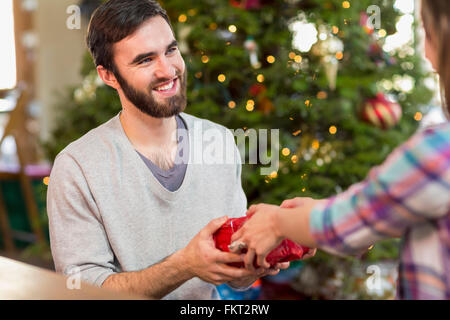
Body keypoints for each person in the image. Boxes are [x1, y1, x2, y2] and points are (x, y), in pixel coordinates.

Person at [47, 0, 286, 300]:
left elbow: (234, 273)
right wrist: (184, 265)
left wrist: (256, 259)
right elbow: (82, 292)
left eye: (170, 50)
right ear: (108, 75)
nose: (168, 70)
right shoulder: (77, 167)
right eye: (145, 60)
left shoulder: (220, 141)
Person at [231, 0, 450, 300]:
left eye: (428, 33)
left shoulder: (439, 151)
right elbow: (383, 215)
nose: (426, 51)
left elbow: (347, 221)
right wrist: (310, 216)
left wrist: (277, 222)